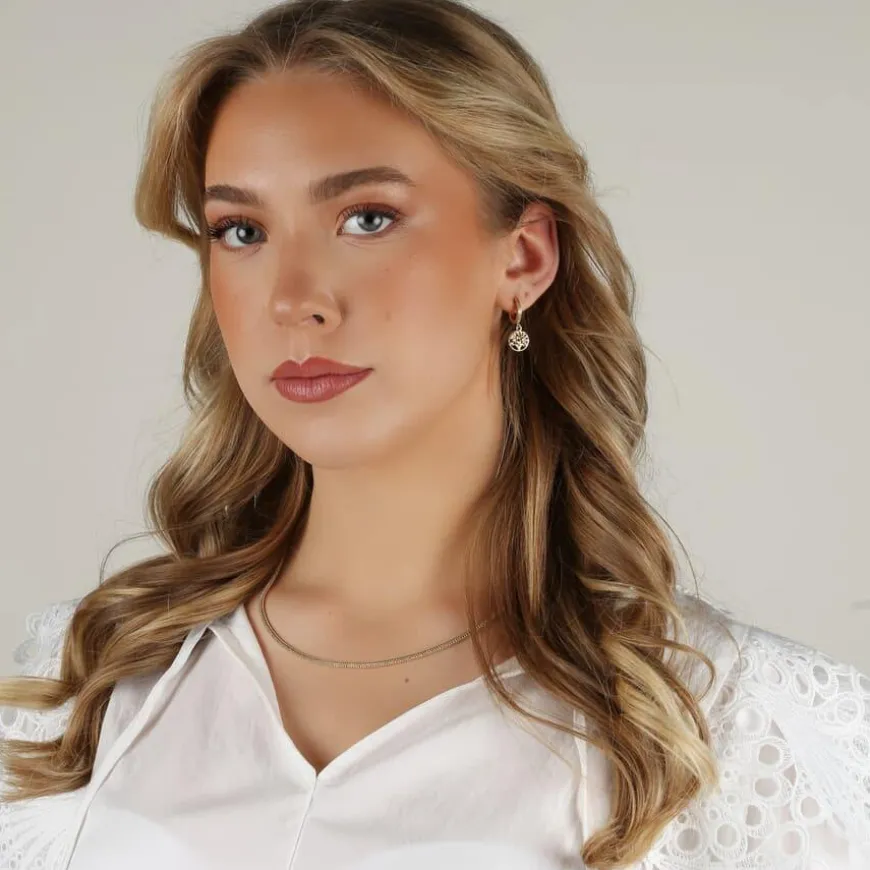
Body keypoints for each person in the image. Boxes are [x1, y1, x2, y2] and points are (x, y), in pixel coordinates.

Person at [1, 1, 868, 868]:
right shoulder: (86, 679)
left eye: (367, 218)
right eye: (243, 231)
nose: (293, 299)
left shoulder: (739, 723)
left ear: (523, 258)